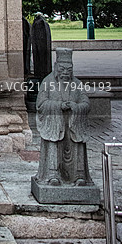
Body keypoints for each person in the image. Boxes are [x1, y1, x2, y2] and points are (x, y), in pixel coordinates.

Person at [34, 47, 92, 186]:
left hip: (73, 124)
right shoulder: (47, 83)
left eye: (69, 69)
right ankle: (52, 174)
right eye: (62, 69)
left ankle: (78, 175)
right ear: (56, 67)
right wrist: (58, 106)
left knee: (77, 146)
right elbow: (41, 104)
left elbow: (86, 103)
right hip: (56, 124)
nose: (65, 73)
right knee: (54, 144)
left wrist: (76, 107)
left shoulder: (77, 84)